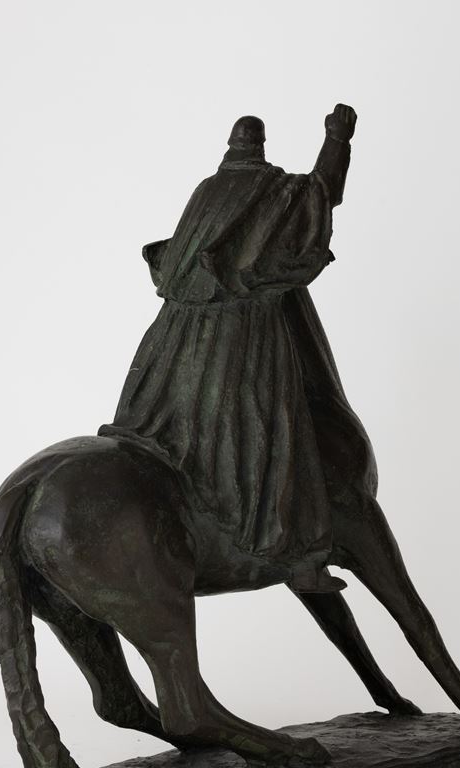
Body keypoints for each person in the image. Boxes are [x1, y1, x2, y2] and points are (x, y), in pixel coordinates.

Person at [99, 104, 359, 593]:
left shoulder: (206, 192)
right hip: (245, 333)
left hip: (177, 338)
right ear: (260, 149)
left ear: (231, 149)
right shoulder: (272, 189)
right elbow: (323, 192)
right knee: (278, 426)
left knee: (164, 419)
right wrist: (337, 140)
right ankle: (295, 552)